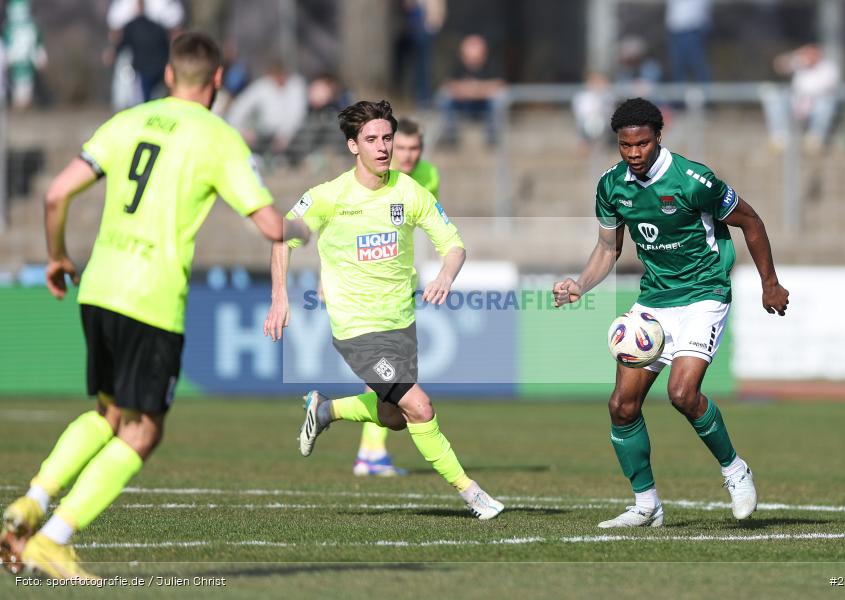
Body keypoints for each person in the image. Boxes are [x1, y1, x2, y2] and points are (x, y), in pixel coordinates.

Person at [0, 32, 309, 579]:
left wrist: (56, 257)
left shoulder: (128, 121)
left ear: (168, 76)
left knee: (109, 413)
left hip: (98, 284)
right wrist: (311, 227)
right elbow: (268, 225)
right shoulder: (219, 138)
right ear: (216, 81)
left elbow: (55, 194)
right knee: (142, 432)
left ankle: (29, 504)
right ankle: (54, 537)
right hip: (152, 296)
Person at [553, 98, 789, 528]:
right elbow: (609, 248)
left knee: (682, 394)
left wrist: (769, 282)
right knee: (622, 406)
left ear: (659, 138)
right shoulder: (611, 186)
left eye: (642, 144)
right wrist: (579, 285)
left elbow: (751, 222)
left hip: (704, 293)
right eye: (626, 146)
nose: (634, 153)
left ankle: (735, 471)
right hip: (654, 301)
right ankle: (647, 506)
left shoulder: (693, 180)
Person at [263, 100, 504, 520]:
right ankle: (473, 494)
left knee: (393, 417)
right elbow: (283, 236)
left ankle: (325, 409)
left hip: (401, 324)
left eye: (387, 138)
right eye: (371, 139)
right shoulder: (328, 196)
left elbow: (453, 244)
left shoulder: (410, 191)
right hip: (357, 328)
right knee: (420, 408)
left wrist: (446, 274)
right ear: (353, 145)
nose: (382, 147)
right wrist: (280, 296)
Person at [348, 117, 439, 477]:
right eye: (402, 148)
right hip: (365, 283)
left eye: (415, 149)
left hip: (398, 283)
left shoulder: (428, 176)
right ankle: (368, 453)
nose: (408, 155)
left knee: (389, 376)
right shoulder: (370, 177)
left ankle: (369, 450)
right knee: (389, 375)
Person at [761, 43, 840, 153]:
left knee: (826, 103)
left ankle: (815, 140)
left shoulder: (828, 67)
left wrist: (806, 98)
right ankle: (780, 138)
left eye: (812, 54)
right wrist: (796, 54)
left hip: (815, 106)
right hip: (796, 104)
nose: (809, 57)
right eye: (807, 53)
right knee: (772, 95)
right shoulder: (800, 63)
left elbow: (827, 89)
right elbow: (778, 65)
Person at [227, 58, 308, 164]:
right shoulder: (262, 86)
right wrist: (241, 130)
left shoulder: (296, 86)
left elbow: (296, 114)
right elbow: (239, 108)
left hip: (294, 139)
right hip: (263, 138)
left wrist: (285, 135)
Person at [436, 34, 505, 147]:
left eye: (475, 57)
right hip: (462, 104)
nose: (471, 61)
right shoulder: (457, 65)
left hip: (484, 105)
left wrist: (475, 89)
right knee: (444, 97)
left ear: (483, 54)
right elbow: (449, 84)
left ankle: (493, 139)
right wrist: (466, 89)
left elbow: (499, 85)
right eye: (467, 57)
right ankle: (450, 137)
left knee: (499, 99)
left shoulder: (492, 64)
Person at [114, 0, 170, 102]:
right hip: (159, 68)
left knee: (144, 99)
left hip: (143, 68)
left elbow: (123, 43)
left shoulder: (131, 26)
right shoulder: (158, 27)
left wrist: (114, 53)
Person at [665, 0, 713, 84]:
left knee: (697, 64)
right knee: (678, 66)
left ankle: (706, 93)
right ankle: (679, 95)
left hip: (692, 29)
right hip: (675, 30)